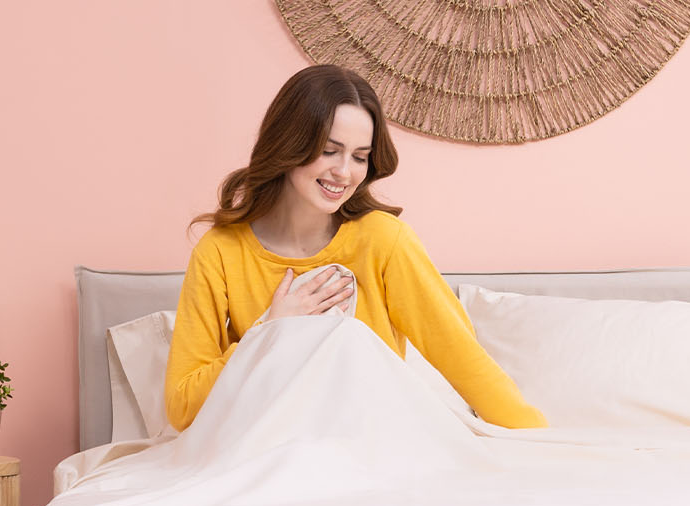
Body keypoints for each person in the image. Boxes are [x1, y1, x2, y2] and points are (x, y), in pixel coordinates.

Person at [164, 64, 547, 432]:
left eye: (360, 157)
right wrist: (271, 330)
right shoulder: (220, 251)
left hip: (371, 444)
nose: (344, 172)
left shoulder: (383, 240)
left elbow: (461, 356)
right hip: (263, 448)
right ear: (288, 143)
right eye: (329, 151)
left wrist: (535, 439)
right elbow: (182, 407)